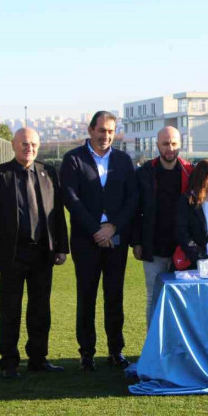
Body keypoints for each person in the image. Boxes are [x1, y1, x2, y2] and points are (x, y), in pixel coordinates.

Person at [0, 128, 69, 379]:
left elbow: (57, 214)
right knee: (10, 309)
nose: (28, 148)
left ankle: (38, 358)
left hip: (42, 253)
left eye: (33, 144)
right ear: (13, 145)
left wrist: (62, 247)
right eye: (24, 144)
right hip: (13, 254)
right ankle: (8, 362)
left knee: (40, 309)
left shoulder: (48, 173)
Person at [61, 111, 138, 371]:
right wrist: (97, 229)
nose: (106, 136)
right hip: (86, 240)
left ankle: (116, 350)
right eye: (102, 130)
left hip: (116, 239)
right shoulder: (73, 159)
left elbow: (132, 199)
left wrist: (112, 227)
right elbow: (71, 199)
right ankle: (87, 352)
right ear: (91, 129)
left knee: (114, 297)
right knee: (87, 297)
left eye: (110, 131)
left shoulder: (124, 160)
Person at [131, 126, 193, 330]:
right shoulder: (145, 172)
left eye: (174, 143)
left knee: (183, 299)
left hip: (183, 248)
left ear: (180, 144)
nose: (170, 148)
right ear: (157, 145)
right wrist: (137, 241)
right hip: (153, 246)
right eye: (165, 143)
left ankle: (178, 347)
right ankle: (153, 348)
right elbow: (135, 209)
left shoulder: (189, 171)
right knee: (153, 297)